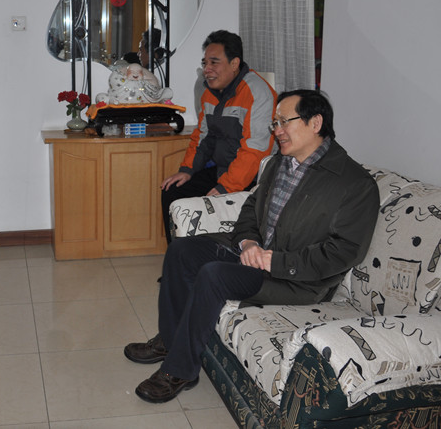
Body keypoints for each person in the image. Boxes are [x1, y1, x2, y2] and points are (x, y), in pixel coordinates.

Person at [125, 90, 380, 404]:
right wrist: (248, 242)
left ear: (315, 123)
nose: (277, 130)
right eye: (275, 123)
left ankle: (180, 370)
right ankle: (170, 338)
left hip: (295, 279)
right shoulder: (279, 163)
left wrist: (274, 261)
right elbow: (251, 208)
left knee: (214, 275)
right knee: (182, 251)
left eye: (284, 122)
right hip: (255, 254)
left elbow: (345, 251)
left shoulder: (354, 184)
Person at [160, 30, 276, 243]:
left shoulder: (257, 93)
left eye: (214, 62)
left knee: (214, 208)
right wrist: (187, 170)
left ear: (234, 64)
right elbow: (203, 136)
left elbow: (254, 152)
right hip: (222, 171)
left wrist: (225, 188)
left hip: (252, 179)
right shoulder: (209, 93)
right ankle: (179, 257)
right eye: (205, 63)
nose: (207, 69)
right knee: (173, 191)